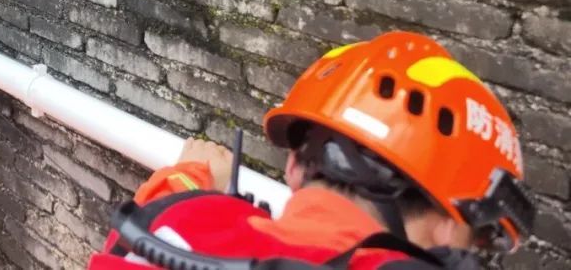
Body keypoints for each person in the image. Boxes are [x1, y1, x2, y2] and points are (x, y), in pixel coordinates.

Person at [89, 31, 535, 269]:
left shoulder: (172, 225)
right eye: (477, 239)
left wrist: (190, 178)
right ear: (447, 224)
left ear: (295, 167)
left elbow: (154, 214)